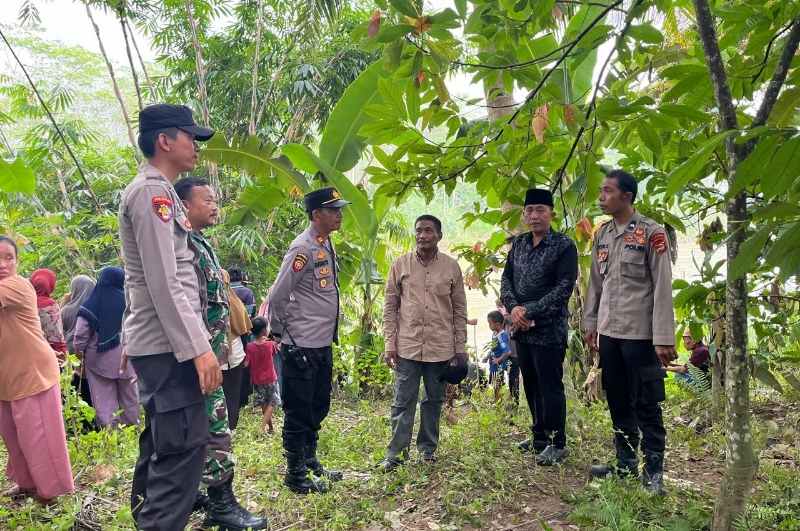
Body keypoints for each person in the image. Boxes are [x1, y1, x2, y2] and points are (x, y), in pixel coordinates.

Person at [120, 103, 222, 531]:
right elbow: (166, 283)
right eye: (190, 137)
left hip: (161, 344)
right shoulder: (154, 194)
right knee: (182, 451)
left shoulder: (157, 191)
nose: (196, 146)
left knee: (164, 443)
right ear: (165, 141)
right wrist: (199, 349)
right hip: (170, 348)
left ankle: (147, 518)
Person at [174, 176, 268, 530]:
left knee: (210, 424)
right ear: (185, 205)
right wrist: (202, 352)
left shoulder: (199, 243)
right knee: (216, 426)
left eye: (216, 200)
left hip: (211, 354)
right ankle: (220, 504)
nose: (215, 206)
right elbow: (183, 303)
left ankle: (204, 493)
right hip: (198, 357)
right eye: (208, 200)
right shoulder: (182, 246)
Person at [583, 169, 676, 496]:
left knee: (646, 402)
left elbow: (663, 286)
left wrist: (664, 337)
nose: (601, 197)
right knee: (619, 400)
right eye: (601, 190)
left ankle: (653, 472)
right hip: (610, 332)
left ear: (627, 196)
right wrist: (590, 323)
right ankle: (624, 462)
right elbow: (596, 283)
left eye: (607, 191)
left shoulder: (652, 233)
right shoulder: (603, 234)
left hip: (641, 334)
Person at [269, 186, 349, 494]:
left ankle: (311, 461)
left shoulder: (325, 243)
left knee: (318, 405)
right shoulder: (302, 248)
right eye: (334, 210)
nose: (339, 214)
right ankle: (295, 473)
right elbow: (277, 295)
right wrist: (280, 334)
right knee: (299, 410)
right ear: (316, 215)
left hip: (321, 343)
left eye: (340, 209)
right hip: (300, 343)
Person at [380, 214, 468, 472]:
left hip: (440, 349)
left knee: (433, 400)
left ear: (439, 235)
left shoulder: (451, 267)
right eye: (419, 230)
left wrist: (460, 349)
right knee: (402, 401)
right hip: (407, 346)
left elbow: (460, 310)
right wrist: (389, 343)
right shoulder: (401, 265)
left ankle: (427, 450)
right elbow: (390, 306)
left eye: (428, 231)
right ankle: (396, 454)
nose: (422, 235)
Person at [500, 188, 578, 466]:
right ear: (524, 214)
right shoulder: (519, 244)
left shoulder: (564, 246)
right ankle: (539, 437)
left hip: (549, 330)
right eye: (530, 210)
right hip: (522, 330)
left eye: (540, 210)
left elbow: (563, 289)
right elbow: (506, 280)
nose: (534, 216)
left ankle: (557, 443)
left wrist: (529, 310)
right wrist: (514, 309)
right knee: (530, 384)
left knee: (550, 386)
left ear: (551, 214)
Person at [0, 236, 74, 503]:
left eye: (9, 257)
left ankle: (52, 493)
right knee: (14, 437)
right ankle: (27, 484)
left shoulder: (16, 286)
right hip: (7, 378)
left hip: (33, 374)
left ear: (18, 263)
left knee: (39, 437)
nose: (3, 264)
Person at [72, 266, 139, 428]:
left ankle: (111, 436)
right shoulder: (131, 303)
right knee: (130, 399)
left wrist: (80, 356)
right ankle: (133, 429)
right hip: (128, 358)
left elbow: (80, 336)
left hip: (99, 362)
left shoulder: (91, 305)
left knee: (104, 401)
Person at [61, 274, 97, 411]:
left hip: (70, 358)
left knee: (75, 391)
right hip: (90, 355)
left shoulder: (65, 309)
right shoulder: (94, 309)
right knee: (92, 391)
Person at [222, 268, 252, 431]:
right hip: (233, 355)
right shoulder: (233, 301)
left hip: (216, 356)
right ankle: (229, 429)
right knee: (232, 395)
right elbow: (244, 327)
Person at [244, 317, 279, 434]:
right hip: (270, 378)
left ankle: (271, 428)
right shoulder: (270, 345)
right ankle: (262, 427)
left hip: (257, 380)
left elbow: (246, 363)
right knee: (272, 402)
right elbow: (275, 352)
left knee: (264, 403)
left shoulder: (249, 347)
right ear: (264, 330)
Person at [29, 268, 67, 358]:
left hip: (29, 352)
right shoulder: (51, 306)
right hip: (51, 353)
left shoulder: (26, 302)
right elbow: (56, 335)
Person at [486, 310, 512, 403]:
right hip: (493, 364)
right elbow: (493, 347)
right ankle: (496, 399)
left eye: (490, 323)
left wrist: (498, 359)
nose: (489, 325)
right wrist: (487, 356)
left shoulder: (501, 336)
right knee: (495, 382)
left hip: (498, 365)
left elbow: (507, 351)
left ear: (497, 324)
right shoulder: (495, 334)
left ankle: (498, 401)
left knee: (497, 382)